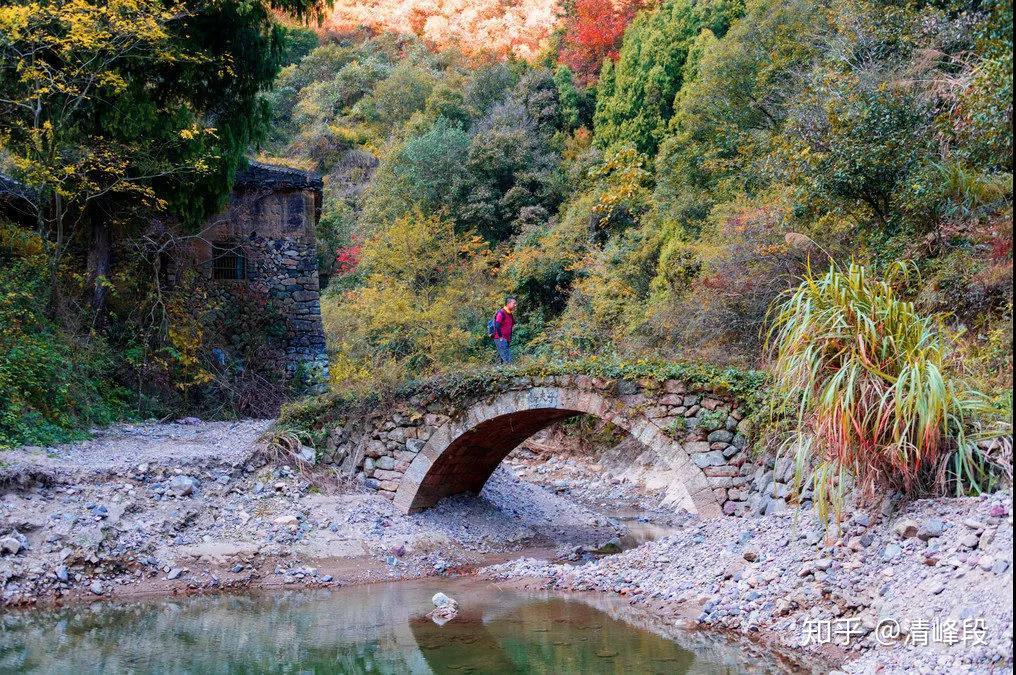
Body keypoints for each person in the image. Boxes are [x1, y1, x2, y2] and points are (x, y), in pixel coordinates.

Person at [492, 296, 517, 364]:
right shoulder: (501, 312)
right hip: (500, 338)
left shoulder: (510, 314)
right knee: (507, 358)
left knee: (503, 358)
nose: (515, 305)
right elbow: (497, 325)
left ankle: (501, 371)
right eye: (514, 303)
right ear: (508, 303)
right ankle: (509, 371)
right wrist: (500, 337)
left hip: (507, 338)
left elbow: (512, 324)